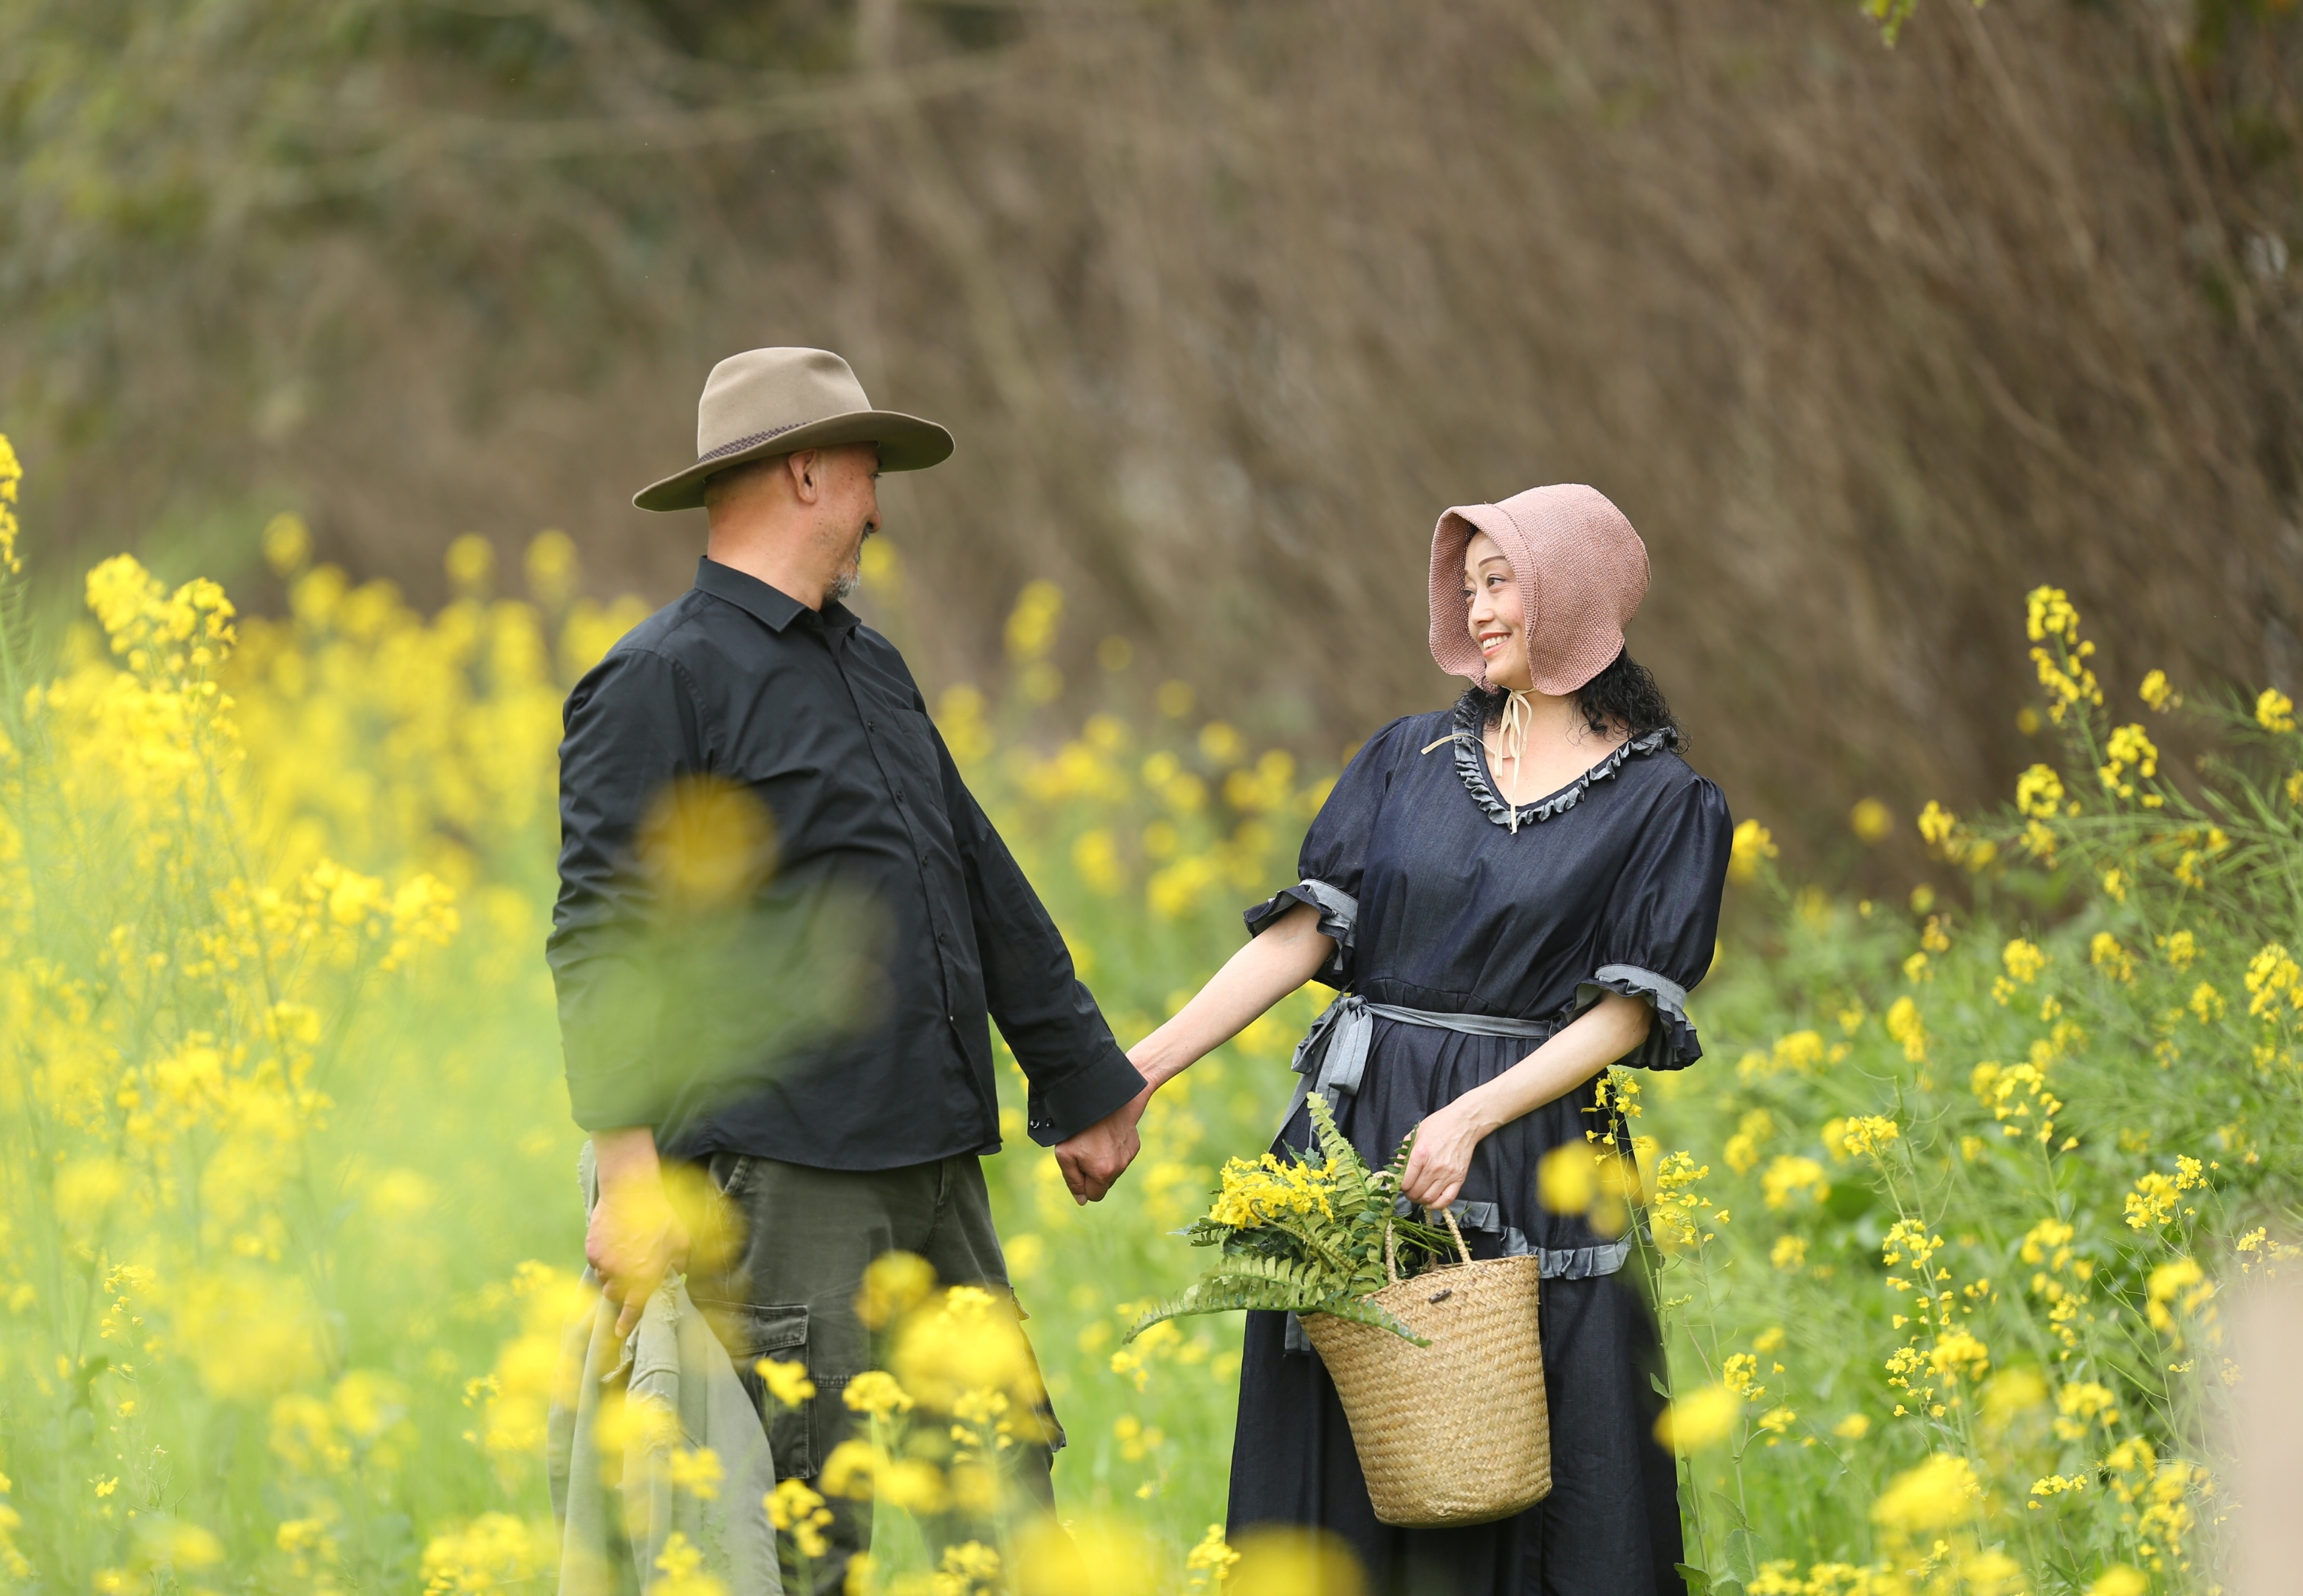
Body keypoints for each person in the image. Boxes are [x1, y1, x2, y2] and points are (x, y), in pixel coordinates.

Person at [547, 347, 1147, 1592]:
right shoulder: (659, 680)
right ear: (809, 471)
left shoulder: (869, 664)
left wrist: (1081, 1075)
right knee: (807, 1540)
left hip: (937, 1172)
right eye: (870, 470)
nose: (881, 502)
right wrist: (627, 1179)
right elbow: (603, 937)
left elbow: (968, 871)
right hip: (784, 1186)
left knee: (1010, 1520)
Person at [1125, 484, 1731, 1594]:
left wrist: (1472, 1114)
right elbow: (1302, 938)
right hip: (1364, 1143)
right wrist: (1141, 1071)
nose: (1479, 608)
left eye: (1503, 582)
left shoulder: (1666, 802)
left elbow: (1627, 1012)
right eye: (1470, 586)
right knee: (1345, 1464)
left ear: (1576, 596)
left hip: (1534, 1154)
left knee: (1531, 1464)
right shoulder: (1404, 760)